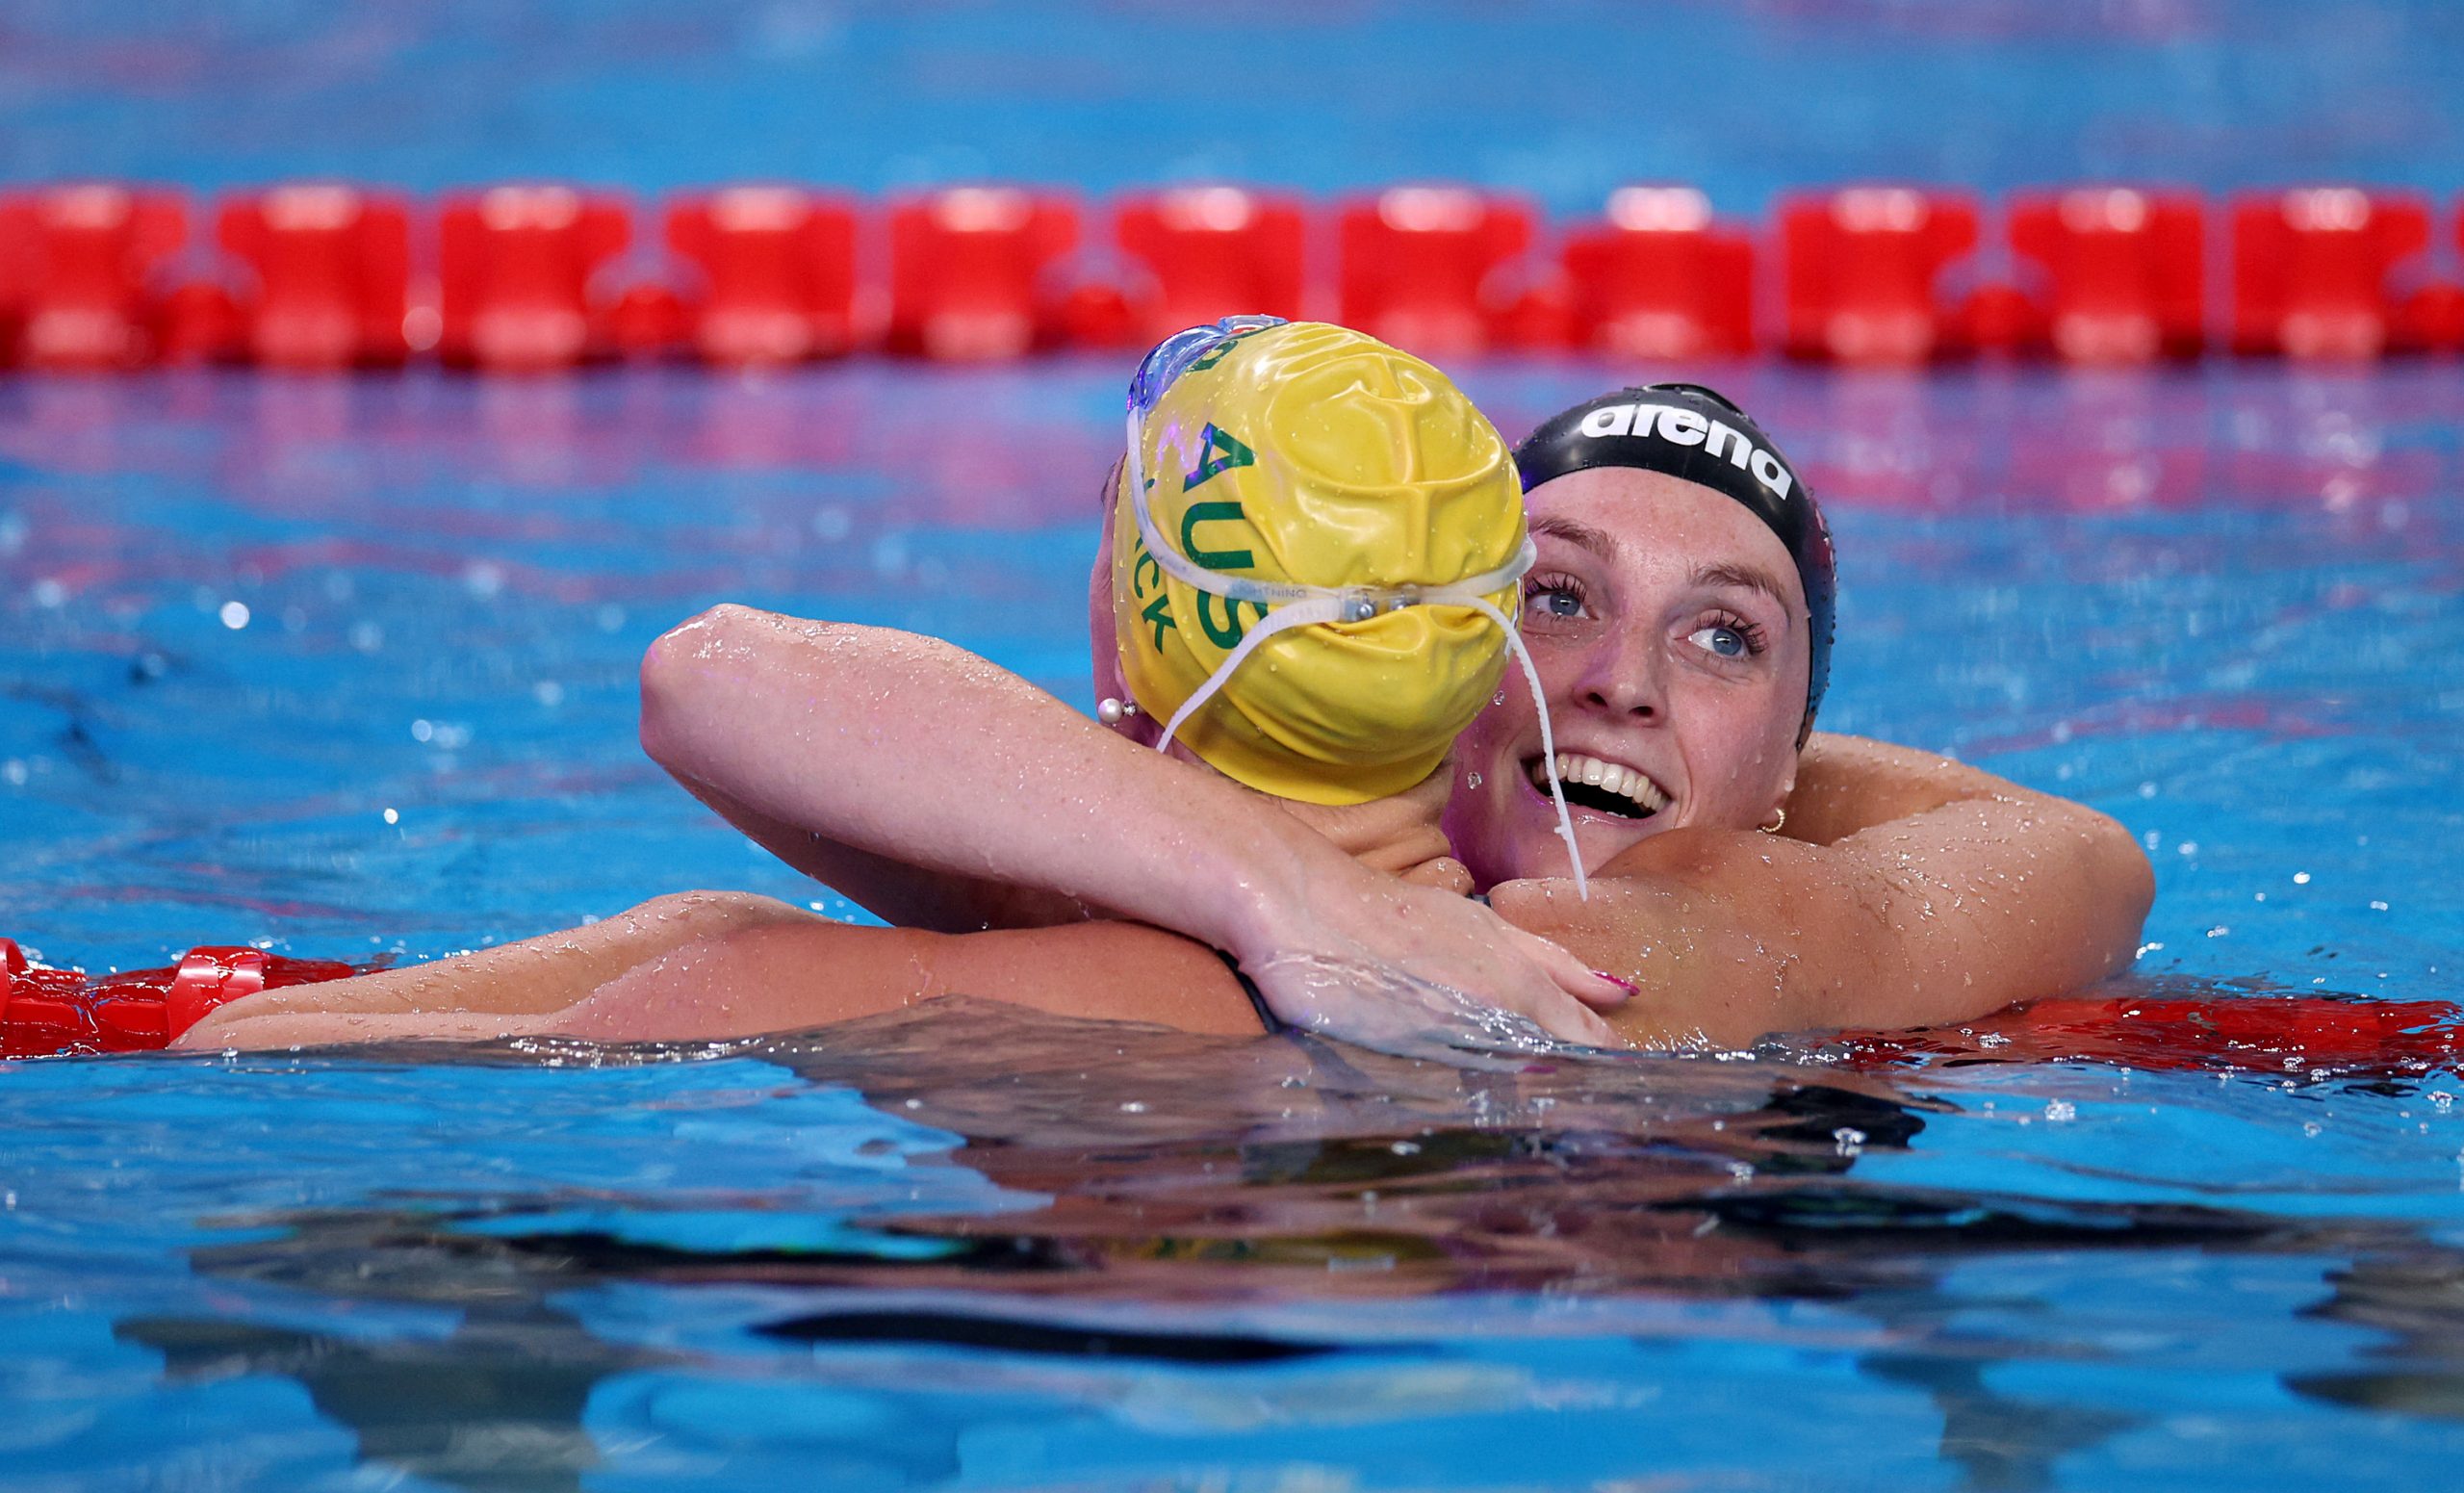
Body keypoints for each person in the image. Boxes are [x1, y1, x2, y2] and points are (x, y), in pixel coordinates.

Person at [184, 319, 1634, 1055]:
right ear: (1483, 670)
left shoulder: (827, 980)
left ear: (1137, 630)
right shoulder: (1614, 956)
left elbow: (236, 1060)